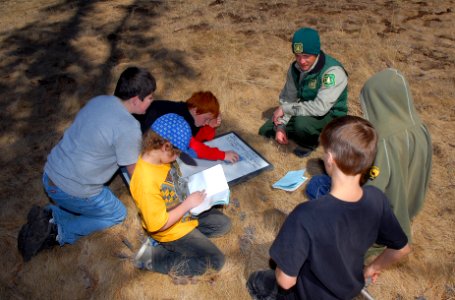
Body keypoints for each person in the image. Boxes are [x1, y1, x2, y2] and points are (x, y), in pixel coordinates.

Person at [247, 116, 411, 299]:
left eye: (324, 152)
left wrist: (281, 263)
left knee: (257, 281)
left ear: (331, 159)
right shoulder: (376, 199)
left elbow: (286, 281)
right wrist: (372, 268)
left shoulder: (306, 215)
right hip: (346, 291)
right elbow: (402, 248)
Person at [17, 67, 157, 261]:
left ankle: (49, 214)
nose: (152, 101)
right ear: (135, 99)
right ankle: (58, 230)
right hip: (71, 189)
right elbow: (135, 173)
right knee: (116, 213)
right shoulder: (128, 127)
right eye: (150, 97)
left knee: (103, 197)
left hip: (50, 176)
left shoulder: (99, 101)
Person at [306, 68, 432, 244]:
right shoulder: (419, 126)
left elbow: (370, 194)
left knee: (316, 184)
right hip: (410, 204)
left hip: (384, 218)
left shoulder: (381, 141)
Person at [130, 113, 231, 276]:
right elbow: (159, 224)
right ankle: (153, 257)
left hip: (185, 213)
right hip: (169, 229)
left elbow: (174, 183)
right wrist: (188, 204)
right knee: (216, 262)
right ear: (165, 147)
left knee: (223, 224)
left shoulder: (161, 159)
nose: (177, 157)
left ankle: (188, 244)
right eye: (176, 153)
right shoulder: (144, 181)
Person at [258, 27, 348, 157]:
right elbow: (289, 99)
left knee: (302, 124)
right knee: (266, 130)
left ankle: (311, 143)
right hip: (306, 110)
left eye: (306, 56)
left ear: (316, 53)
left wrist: (286, 109)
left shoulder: (332, 72)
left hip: (332, 116)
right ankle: (299, 132)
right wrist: (281, 127)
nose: (301, 61)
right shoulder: (294, 69)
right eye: (297, 56)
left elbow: (320, 107)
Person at [136, 91, 239, 163]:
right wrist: (223, 155)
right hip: (138, 140)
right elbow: (196, 148)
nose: (205, 123)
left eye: (208, 120)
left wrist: (210, 126)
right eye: (206, 119)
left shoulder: (190, 113)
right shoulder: (183, 121)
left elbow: (199, 138)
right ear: (195, 109)